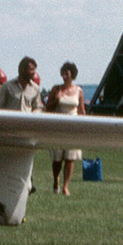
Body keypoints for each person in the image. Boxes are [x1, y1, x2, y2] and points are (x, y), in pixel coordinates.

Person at [47, 62, 88, 195]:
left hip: (73, 128)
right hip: (57, 127)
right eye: (63, 73)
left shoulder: (79, 91)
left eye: (68, 74)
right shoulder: (56, 89)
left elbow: (81, 109)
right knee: (57, 160)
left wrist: (86, 123)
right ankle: (56, 180)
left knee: (70, 158)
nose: (65, 76)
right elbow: (48, 108)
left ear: (72, 75)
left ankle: (65, 186)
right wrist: (57, 100)